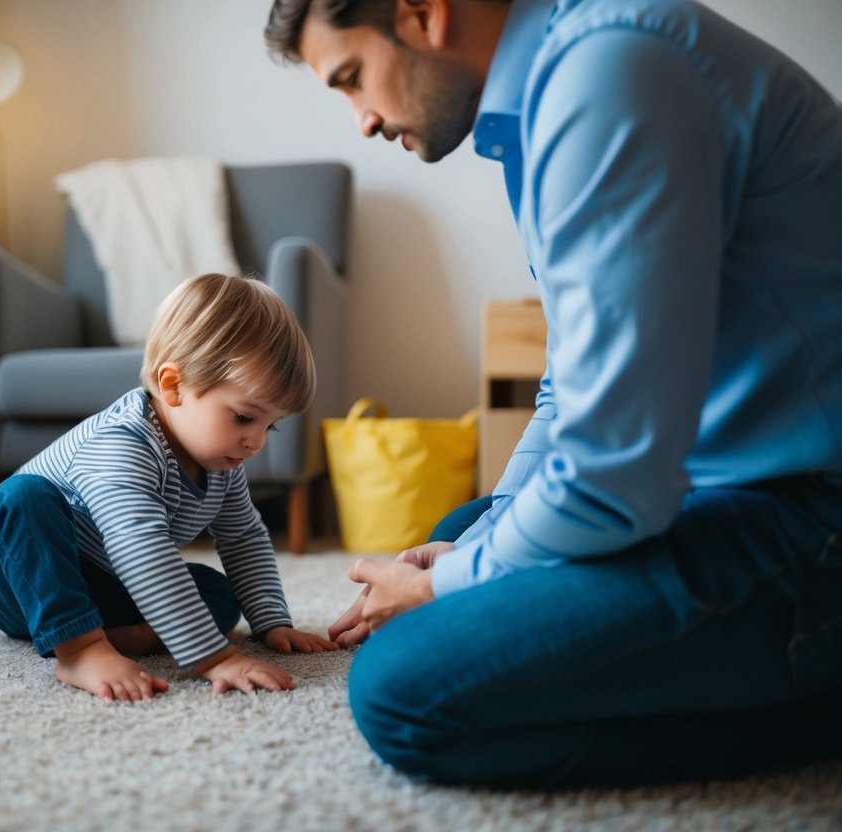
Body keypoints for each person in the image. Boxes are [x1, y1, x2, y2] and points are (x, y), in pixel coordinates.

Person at [265, 0, 842, 787]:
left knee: (402, 687)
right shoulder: (543, 96)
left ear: (419, 12)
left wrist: (447, 584)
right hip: (721, 485)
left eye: (352, 78)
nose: (362, 120)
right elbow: (571, 382)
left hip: (810, 514)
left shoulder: (607, 73)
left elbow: (613, 474)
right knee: (464, 526)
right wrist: (484, 540)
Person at [0, 273, 339, 702]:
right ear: (173, 386)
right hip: (21, 574)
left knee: (219, 596)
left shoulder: (222, 462)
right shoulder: (124, 445)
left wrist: (273, 621)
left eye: (272, 425)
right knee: (20, 498)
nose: (257, 441)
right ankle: (81, 648)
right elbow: (141, 548)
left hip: (106, 577)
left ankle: (109, 632)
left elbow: (243, 537)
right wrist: (215, 659)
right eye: (243, 418)